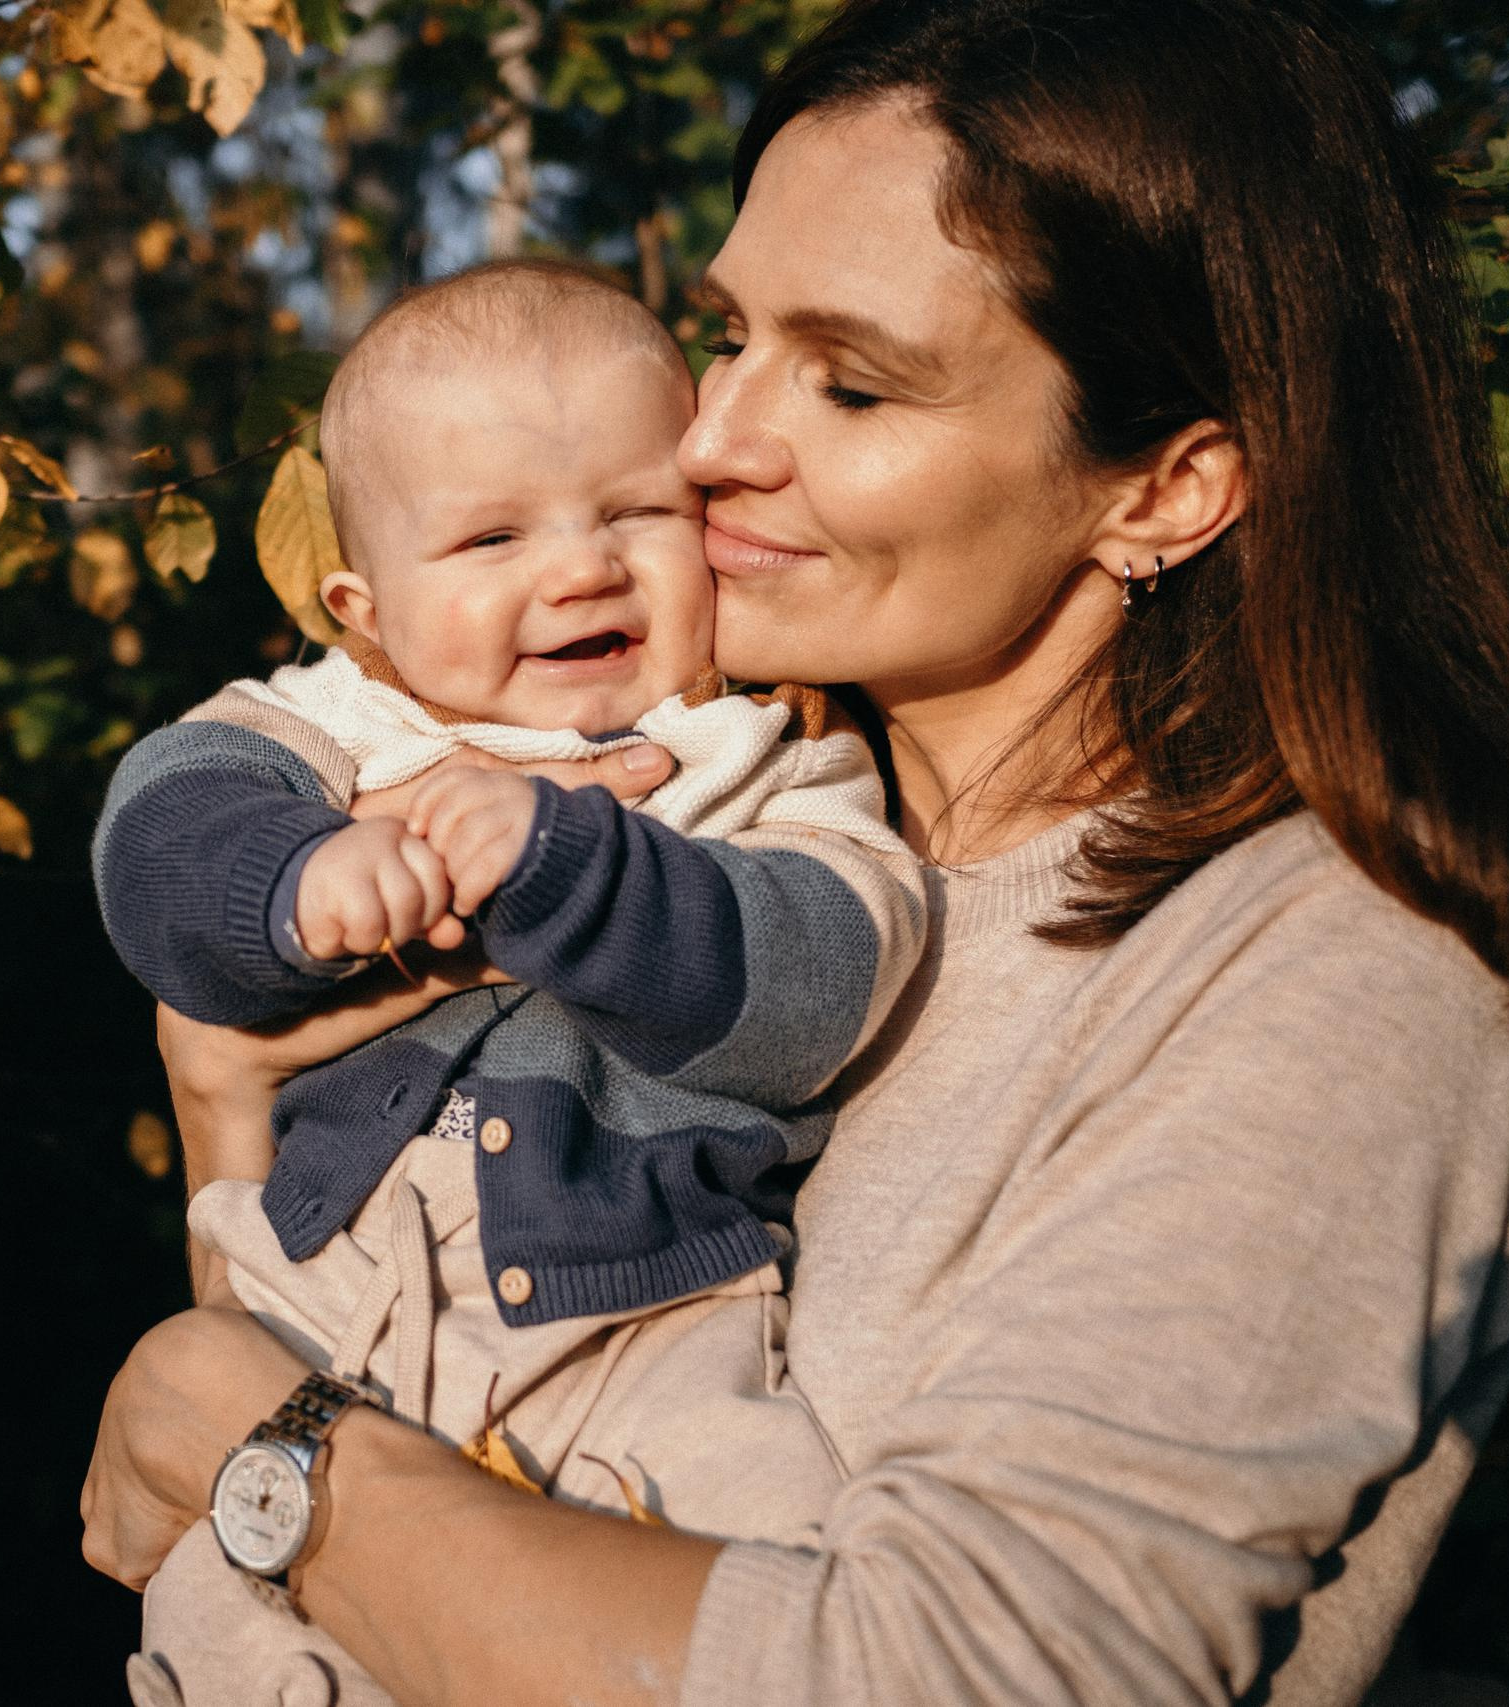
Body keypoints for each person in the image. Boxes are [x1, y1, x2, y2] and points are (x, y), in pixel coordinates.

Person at [81, 1, 1509, 1702]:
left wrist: (256, 1439)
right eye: (726, 335)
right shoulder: (708, 784)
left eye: (854, 380)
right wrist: (228, 1131)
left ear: (1168, 489)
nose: (716, 438)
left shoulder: (1323, 976)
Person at [90, 260, 925, 1705]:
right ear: (364, 606)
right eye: (489, 536)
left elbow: (820, 982)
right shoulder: (339, 727)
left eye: (639, 511)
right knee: (229, 1637)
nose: (581, 568)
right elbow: (153, 842)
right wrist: (287, 883)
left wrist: (577, 869)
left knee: (759, 1586)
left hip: (655, 1322)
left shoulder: (760, 754)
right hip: (319, 1311)